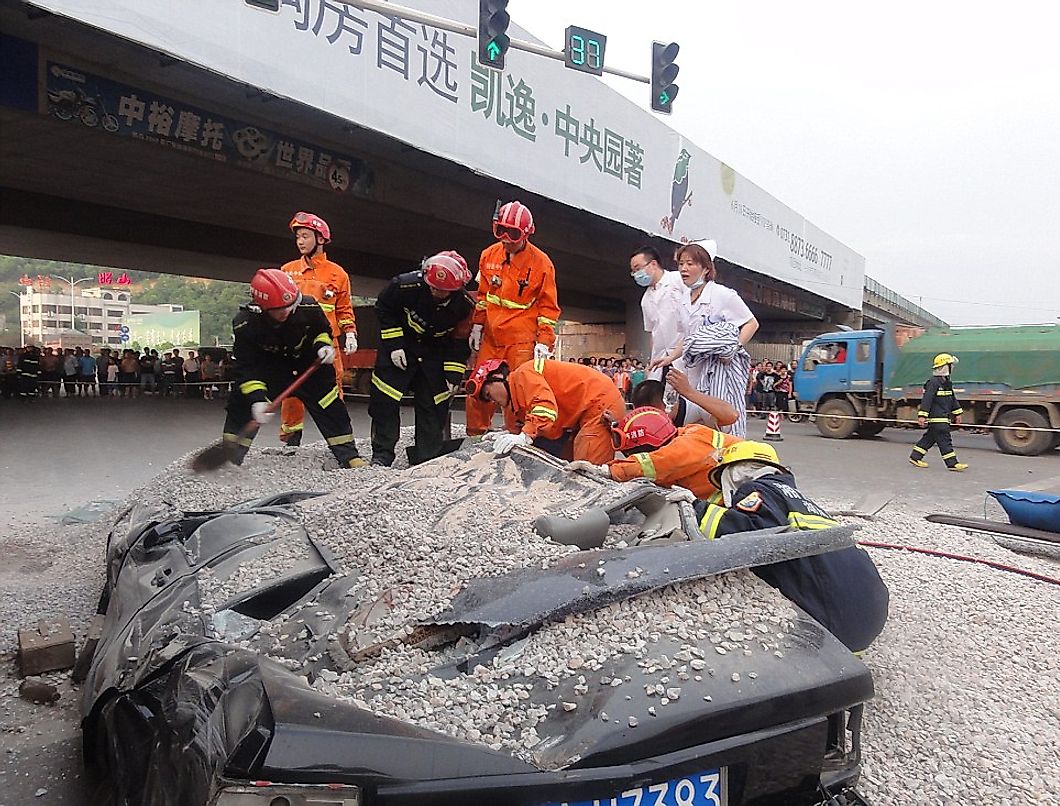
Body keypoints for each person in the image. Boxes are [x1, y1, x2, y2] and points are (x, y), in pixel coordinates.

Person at [694, 441, 889, 653]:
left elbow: (751, 532)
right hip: (869, 611)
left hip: (833, 622)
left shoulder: (759, 489)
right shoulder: (800, 500)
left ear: (737, 473)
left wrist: (696, 509)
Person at [222, 268, 365, 469]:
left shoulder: (308, 307)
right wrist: (256, 400)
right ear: (262, 308)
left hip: (310, 367)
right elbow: (247, 367)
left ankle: (349, 456)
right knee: (242, 403)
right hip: (271, 370)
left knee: (331, 405)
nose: (287, 312)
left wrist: (323, 346)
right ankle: (230, 458)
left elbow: (322, 331)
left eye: (291, 306)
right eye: (280, 310)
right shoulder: (246, 324)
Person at [368, 252, 475, 466]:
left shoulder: (464, 305)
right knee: (385, 400)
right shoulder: (404, 286)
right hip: (401, 348)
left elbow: (459, 341)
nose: (436, 291)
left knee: (434, 405)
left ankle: (426, 458)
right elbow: (384, 309)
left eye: (443, 290)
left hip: (434, 353)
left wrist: (453, 374)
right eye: (433, 287)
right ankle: (382, 455)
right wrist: (394, 345)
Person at [466, 201, 561, 436]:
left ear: (526, 234)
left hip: (521, 340)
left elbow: (548, 308)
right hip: (491, 336)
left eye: (513, 233)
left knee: (516, 390)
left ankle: (515, 438)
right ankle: (475, 437)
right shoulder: (488, 255)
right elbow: (482, 296)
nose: (506, 238)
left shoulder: (541, 264)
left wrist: (544, 341)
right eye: (500, 231)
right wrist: (477, 325)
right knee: (478, 386)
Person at [279, 211, 359, 447]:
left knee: (333, 394)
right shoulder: (286, 270)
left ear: (320, 239)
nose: (300, 241)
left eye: (305, 236)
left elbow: (344, 308)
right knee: (291, 394)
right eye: (298, 237)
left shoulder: (337, 274)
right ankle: (291, 442)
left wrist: (350, 332)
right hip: (295, 344)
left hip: (327, 344)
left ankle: (340, 444)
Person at [465, 356, 625, 463]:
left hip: (600, 403)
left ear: (498, 379)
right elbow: (521, 429)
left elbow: (545, 408)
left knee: (588, 470)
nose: (491, 400)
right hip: (584, 411)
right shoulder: (513, 402)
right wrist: (507, 435)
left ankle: (601, 512)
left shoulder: (523, 375)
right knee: (563, 468)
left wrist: (525, 436)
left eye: (488, 394)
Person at [567, 406, 742, 502]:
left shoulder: (682, 449)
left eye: (633, 453)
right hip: (741, 492)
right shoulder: (686, 434)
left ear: (650, 447)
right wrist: (618, 425)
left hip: (748, 499)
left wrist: (605, 471)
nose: (629, 457)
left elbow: (653, 463)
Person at [630, 245, 687, 381]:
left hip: (683, 354)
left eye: (638, 269)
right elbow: (652, 333)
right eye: (633, 271)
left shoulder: (678, 280)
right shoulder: (645, 300)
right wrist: (651, 361)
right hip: (660, 360)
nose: (636, 274)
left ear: (653, 264)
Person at [909, 353, 967, 471]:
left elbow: (952, 399)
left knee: (930, 438)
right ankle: (952, 463)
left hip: (943, 417)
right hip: (937, 418)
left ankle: (915, 457)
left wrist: (958, 413)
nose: (953, 368)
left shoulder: (946, 383)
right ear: (944, 367)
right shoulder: (933, 382)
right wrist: (922, 415)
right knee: (945, 439)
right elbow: (927, 399)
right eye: (951, 365)